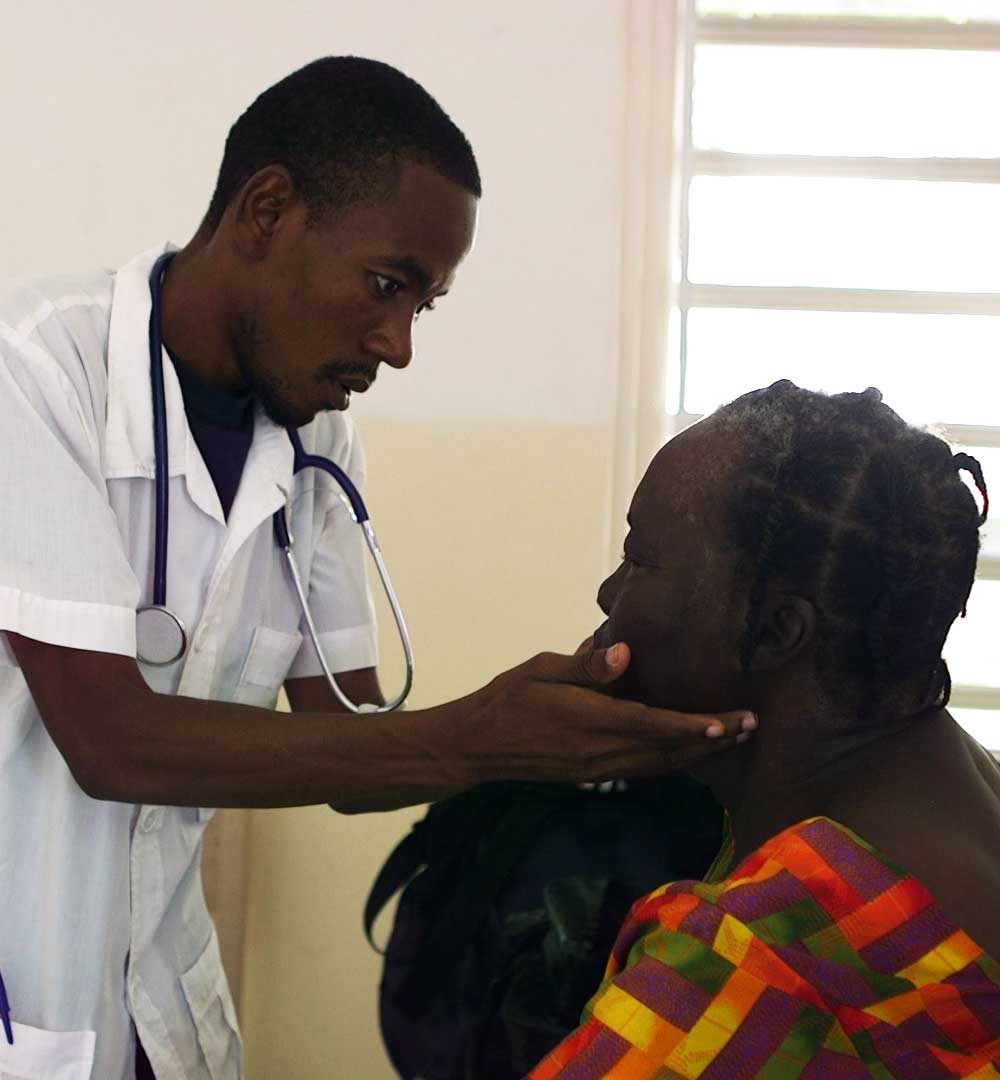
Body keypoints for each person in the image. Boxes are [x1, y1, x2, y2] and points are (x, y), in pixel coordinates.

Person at [0, 56, 754, 1080]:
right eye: (387, 285)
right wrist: (477, 739)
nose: (396, 346)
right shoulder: (36, 369)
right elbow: (111, 742)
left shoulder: (316, 445)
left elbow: (345, 748)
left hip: (163, 1014)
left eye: (423, 306)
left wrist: (556, 715)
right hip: (26, 1003)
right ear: (268, 211)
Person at [530, 381, 1000, 1079]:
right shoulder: (968, 785)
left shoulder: (747, 960)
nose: (608, 593)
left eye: (640, 559)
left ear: (780, 631)